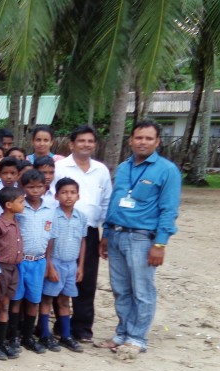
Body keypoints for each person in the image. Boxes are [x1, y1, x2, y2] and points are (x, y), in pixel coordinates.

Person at [98, 120, 181, 358]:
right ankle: (122, 334)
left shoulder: (167, 170)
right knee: (120, 289)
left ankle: (137, 338)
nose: (142, 142)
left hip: (142, 239)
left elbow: (169, 210)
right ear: (131, 140)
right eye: (138, 138)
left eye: (148, 138)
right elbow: (114, 202)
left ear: (157, 142)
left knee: (142, 290)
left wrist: (160, 244)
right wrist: (106, 235)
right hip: (116, 234)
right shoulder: (124, 168)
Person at [53, 126, 111, 343]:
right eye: (81, 141)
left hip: (89, 231)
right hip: (62, 228)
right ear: (71, 144)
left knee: (85, 279)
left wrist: (105, 233)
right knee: (60, 274)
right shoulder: (60, 167)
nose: (86, 144)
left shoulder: (101, 170)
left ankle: (83, 327)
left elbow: (106, 202)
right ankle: (61, 325)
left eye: (90, 141)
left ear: (94, 144)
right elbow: (51, 196)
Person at [40, 178, 86, 353]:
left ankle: (66, 336)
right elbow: (48, 242)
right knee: (47, 299)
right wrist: (49, 265)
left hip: (71, 264)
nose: (69, 196)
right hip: (56, 262)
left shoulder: (81, 217)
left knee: (65, 300)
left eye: (72, 192)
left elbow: (83, 242)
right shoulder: (51, 216)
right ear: (57, 196)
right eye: (64, 192)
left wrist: (81, 266)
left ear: (78, 196)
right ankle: (45, 334)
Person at [16, 170, 54, 354]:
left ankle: (28, 336)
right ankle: (13, 335)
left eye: (39, 186)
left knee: (33, 300)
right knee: (16, 300)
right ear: (22, 188)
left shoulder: (50, 209)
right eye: (30, 187)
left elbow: (51, 237)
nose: (35, 190)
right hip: (20, 261)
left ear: (45, 187)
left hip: (38, 262)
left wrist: (48, 262)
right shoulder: (19, 209)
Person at [0, 187, 25, 360]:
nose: (24, 204)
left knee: (5, 305)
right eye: (21, 201)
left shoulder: (16, 221)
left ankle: (1, 341)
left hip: (13, 269)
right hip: (0, 269)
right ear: (9, 205)